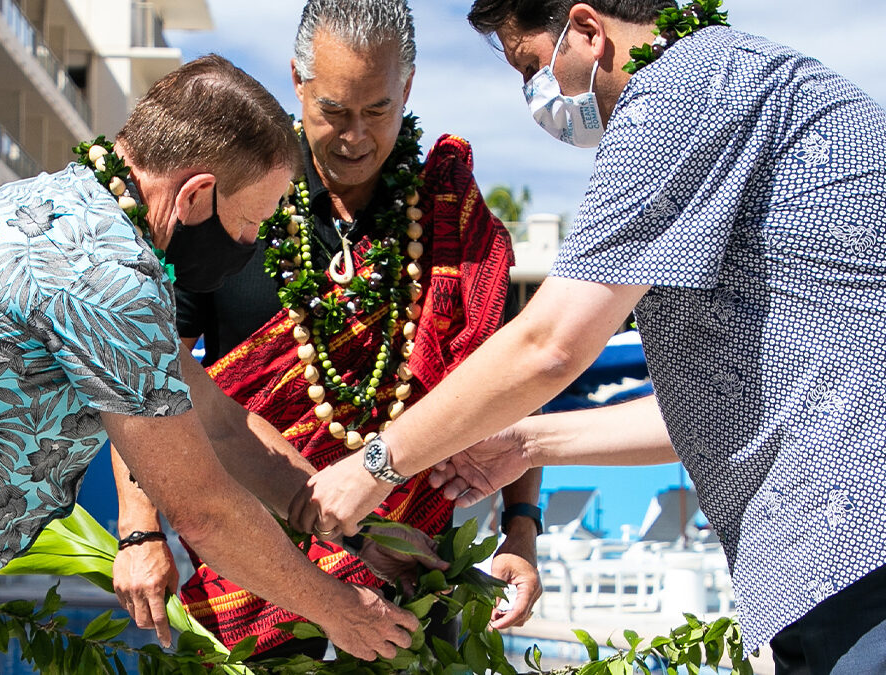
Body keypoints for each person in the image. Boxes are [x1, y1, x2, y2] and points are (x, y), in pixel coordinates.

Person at [289, 1, 886, 673]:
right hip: (832, 567)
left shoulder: (681, 89)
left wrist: (377, 465)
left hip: (861, 554)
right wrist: (529, 442)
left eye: (528, 68)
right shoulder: (742, 77)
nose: (533, 97)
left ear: (587, 30)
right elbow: (733, 402)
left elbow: (551, 344)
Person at [0, 54, 419, 674]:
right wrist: (340, 609)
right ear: (196, 195)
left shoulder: (46, 212)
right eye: (251, 223)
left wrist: (364, 537)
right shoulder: (107, 275)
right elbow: (204, 510)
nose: (249, 248)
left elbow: (218, 422)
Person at [110, 0, 544, 659]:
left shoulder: (450, 220)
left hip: (415, 567)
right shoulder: (230, 201)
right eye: (335, 111)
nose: (355, 137)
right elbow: (151, 373)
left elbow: (508, 378)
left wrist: (521, 530)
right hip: (250, 570)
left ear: (409, 87)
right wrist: (139, 529)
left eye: (378, 110)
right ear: (297, 81)